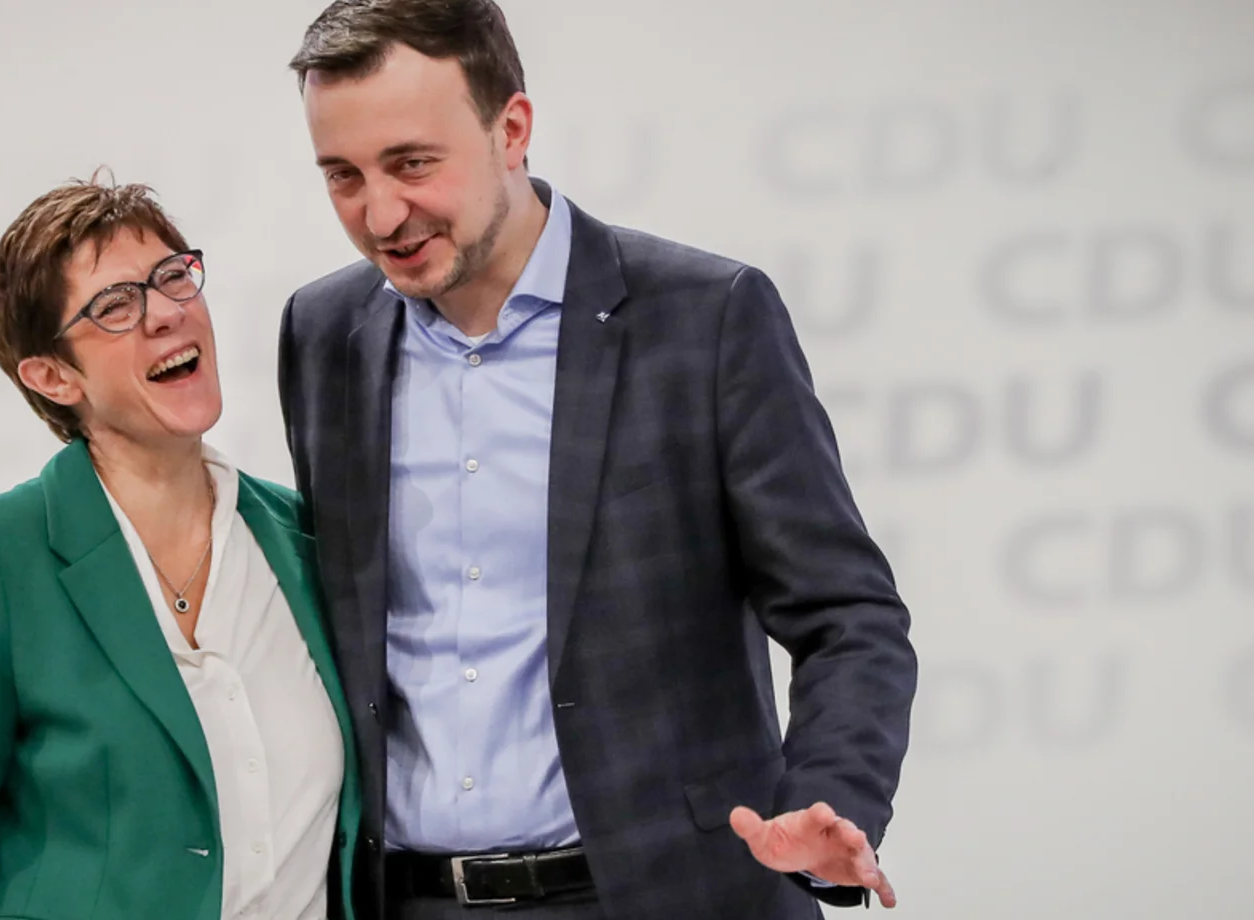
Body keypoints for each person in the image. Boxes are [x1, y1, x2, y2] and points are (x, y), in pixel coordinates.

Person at [275, 2, 917, 918]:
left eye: (413, 164)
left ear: (512, 130)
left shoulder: (705, 317)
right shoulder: (322, 331)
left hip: (669, 898)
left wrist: (825, 801)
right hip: (408, 902)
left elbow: (846, 614)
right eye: (343, 175)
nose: (380, 213)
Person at [0, 176, 360, 920]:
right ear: (52, 376)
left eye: (173, 278)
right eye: (115, 306)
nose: (168, 314)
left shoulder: (308, 539)